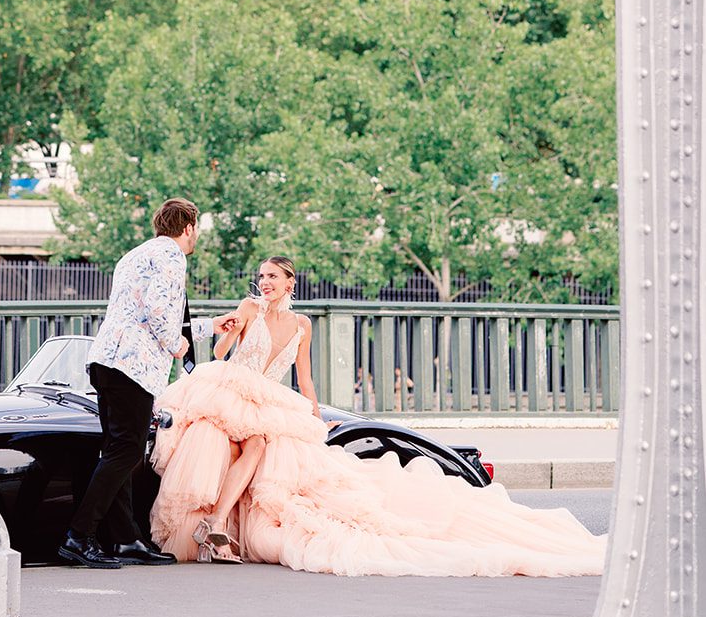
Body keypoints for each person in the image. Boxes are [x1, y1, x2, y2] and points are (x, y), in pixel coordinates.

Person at [150, 255, 607, 577]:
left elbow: (305, 379)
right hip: (233, 389)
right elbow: (221, 350)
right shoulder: (250, 307)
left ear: (291, 283)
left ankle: (217, 528)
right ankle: (214, 528)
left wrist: (315, 418)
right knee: (244, 447)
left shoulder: (303, 324)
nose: (265, 282)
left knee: (261, 449)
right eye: (262, 276)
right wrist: (232, 328)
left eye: (274, 277)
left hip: (273, 402)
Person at [58, 197, 237, 569]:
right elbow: (159, 312)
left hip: (107, 359)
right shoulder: (173, 256)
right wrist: (176, 345)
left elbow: (145, 311)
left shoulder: (136, 255)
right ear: (188, 228)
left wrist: (207, 327)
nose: (195, 237)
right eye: (196, 230)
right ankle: (79, 536)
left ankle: (125, 540)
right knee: (126, 451)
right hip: (132, 368)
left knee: (121, 452)